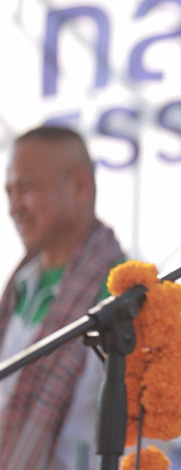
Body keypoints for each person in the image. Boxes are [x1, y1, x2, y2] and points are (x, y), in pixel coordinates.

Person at [0, 126, 125, 469]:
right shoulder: (19, 284)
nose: (13, 208)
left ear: (80, 186)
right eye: (8, 192)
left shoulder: (125, 288)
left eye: (25, 189)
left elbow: (144, 434)